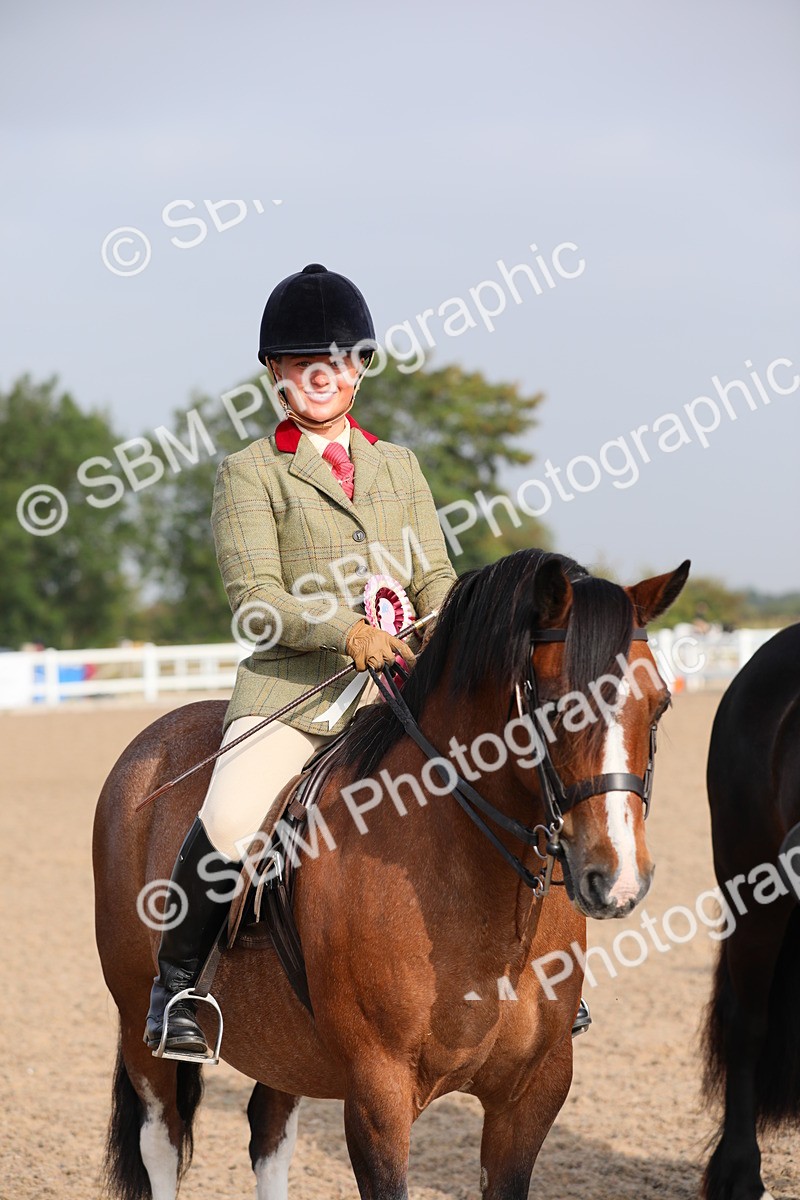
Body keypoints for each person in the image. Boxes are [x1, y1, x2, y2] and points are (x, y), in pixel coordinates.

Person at [144, 264, 458, 1058]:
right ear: (278, 375)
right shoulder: (250, 472)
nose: (322, 374)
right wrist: (344, 631)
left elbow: (436, 577)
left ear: (358, 369)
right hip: (297, 689)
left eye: (338, 359)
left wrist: (456, 622)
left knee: (504, 778)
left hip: (400, 690)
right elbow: (255, 597)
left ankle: (539, 977)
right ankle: (176, 989)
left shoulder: (401, 468)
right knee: (228, 814)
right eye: (300, 363)